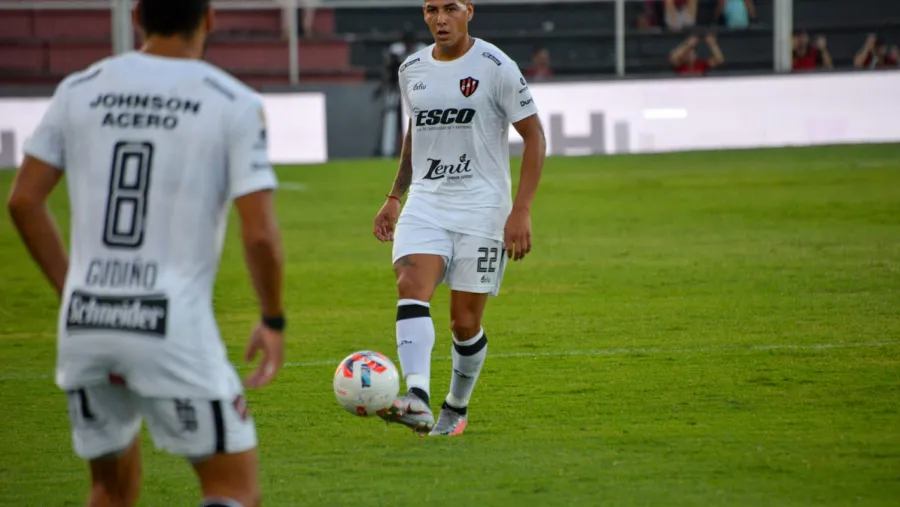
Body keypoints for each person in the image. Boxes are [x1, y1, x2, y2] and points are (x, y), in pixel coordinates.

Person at [6, 1, 285, 506]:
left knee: (110, 489)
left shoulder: (79, 89)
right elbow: (261, 234)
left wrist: (74, 289)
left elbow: (24, 200)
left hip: (86, 322)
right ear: (210, 17)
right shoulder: (232, 101)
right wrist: (273, 319)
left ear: (136, 15)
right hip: (169, 322)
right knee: (234, 489)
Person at [372, 0, 547, 437]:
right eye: (431, 9)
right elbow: (417, 132)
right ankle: (416, 397)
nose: (440, 19)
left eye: (450, 8)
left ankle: (457, 405)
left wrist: (520, 209)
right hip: (427, 203)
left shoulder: (496, 66)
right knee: (411, 285)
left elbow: (535, 136)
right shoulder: (411, 69)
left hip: (482, 209)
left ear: (470, 10)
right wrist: (395, 195)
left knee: (464, 324)